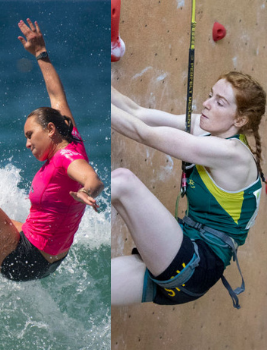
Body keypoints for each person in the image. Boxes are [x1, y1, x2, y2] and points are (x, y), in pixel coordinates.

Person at [0, 19, 104, 281]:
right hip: (45, 254)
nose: (27, 143)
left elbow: (92, 179)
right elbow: (57, 96)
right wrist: (40, 53)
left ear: (49, 130)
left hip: (25, 259)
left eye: (30, 135)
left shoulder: (67, 157)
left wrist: (86, 191)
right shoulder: (72, 138)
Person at [110, 72, 265, 308]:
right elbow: (136, 113)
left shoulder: (233, 155)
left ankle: (57, 210)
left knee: (123, 182)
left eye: (219, 102)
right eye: (210, 95)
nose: (207, 104)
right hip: (180, 251)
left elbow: (143, 132)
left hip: (196, 265)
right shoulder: (205, 128)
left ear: (240, 120)